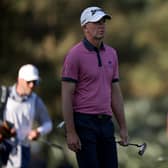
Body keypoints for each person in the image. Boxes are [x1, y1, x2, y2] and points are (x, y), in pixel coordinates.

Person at [61, 6, 128, 168]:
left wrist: (123, 127)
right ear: (85, 27)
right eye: (96, 22)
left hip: (106, 122)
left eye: (103, 22)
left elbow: (115, 92)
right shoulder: (75, 55)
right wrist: (71, 132)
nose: (101, 25)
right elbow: (66, 95)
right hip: (84, 123)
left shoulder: (112, 53)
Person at [1, 64, 53, 168]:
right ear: (19, 80)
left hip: (22, 149)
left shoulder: (36, 101)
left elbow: (48, 124)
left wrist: (38, 131)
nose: (32, 85)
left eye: (35, 82)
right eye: (29, 82)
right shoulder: (3, 94)